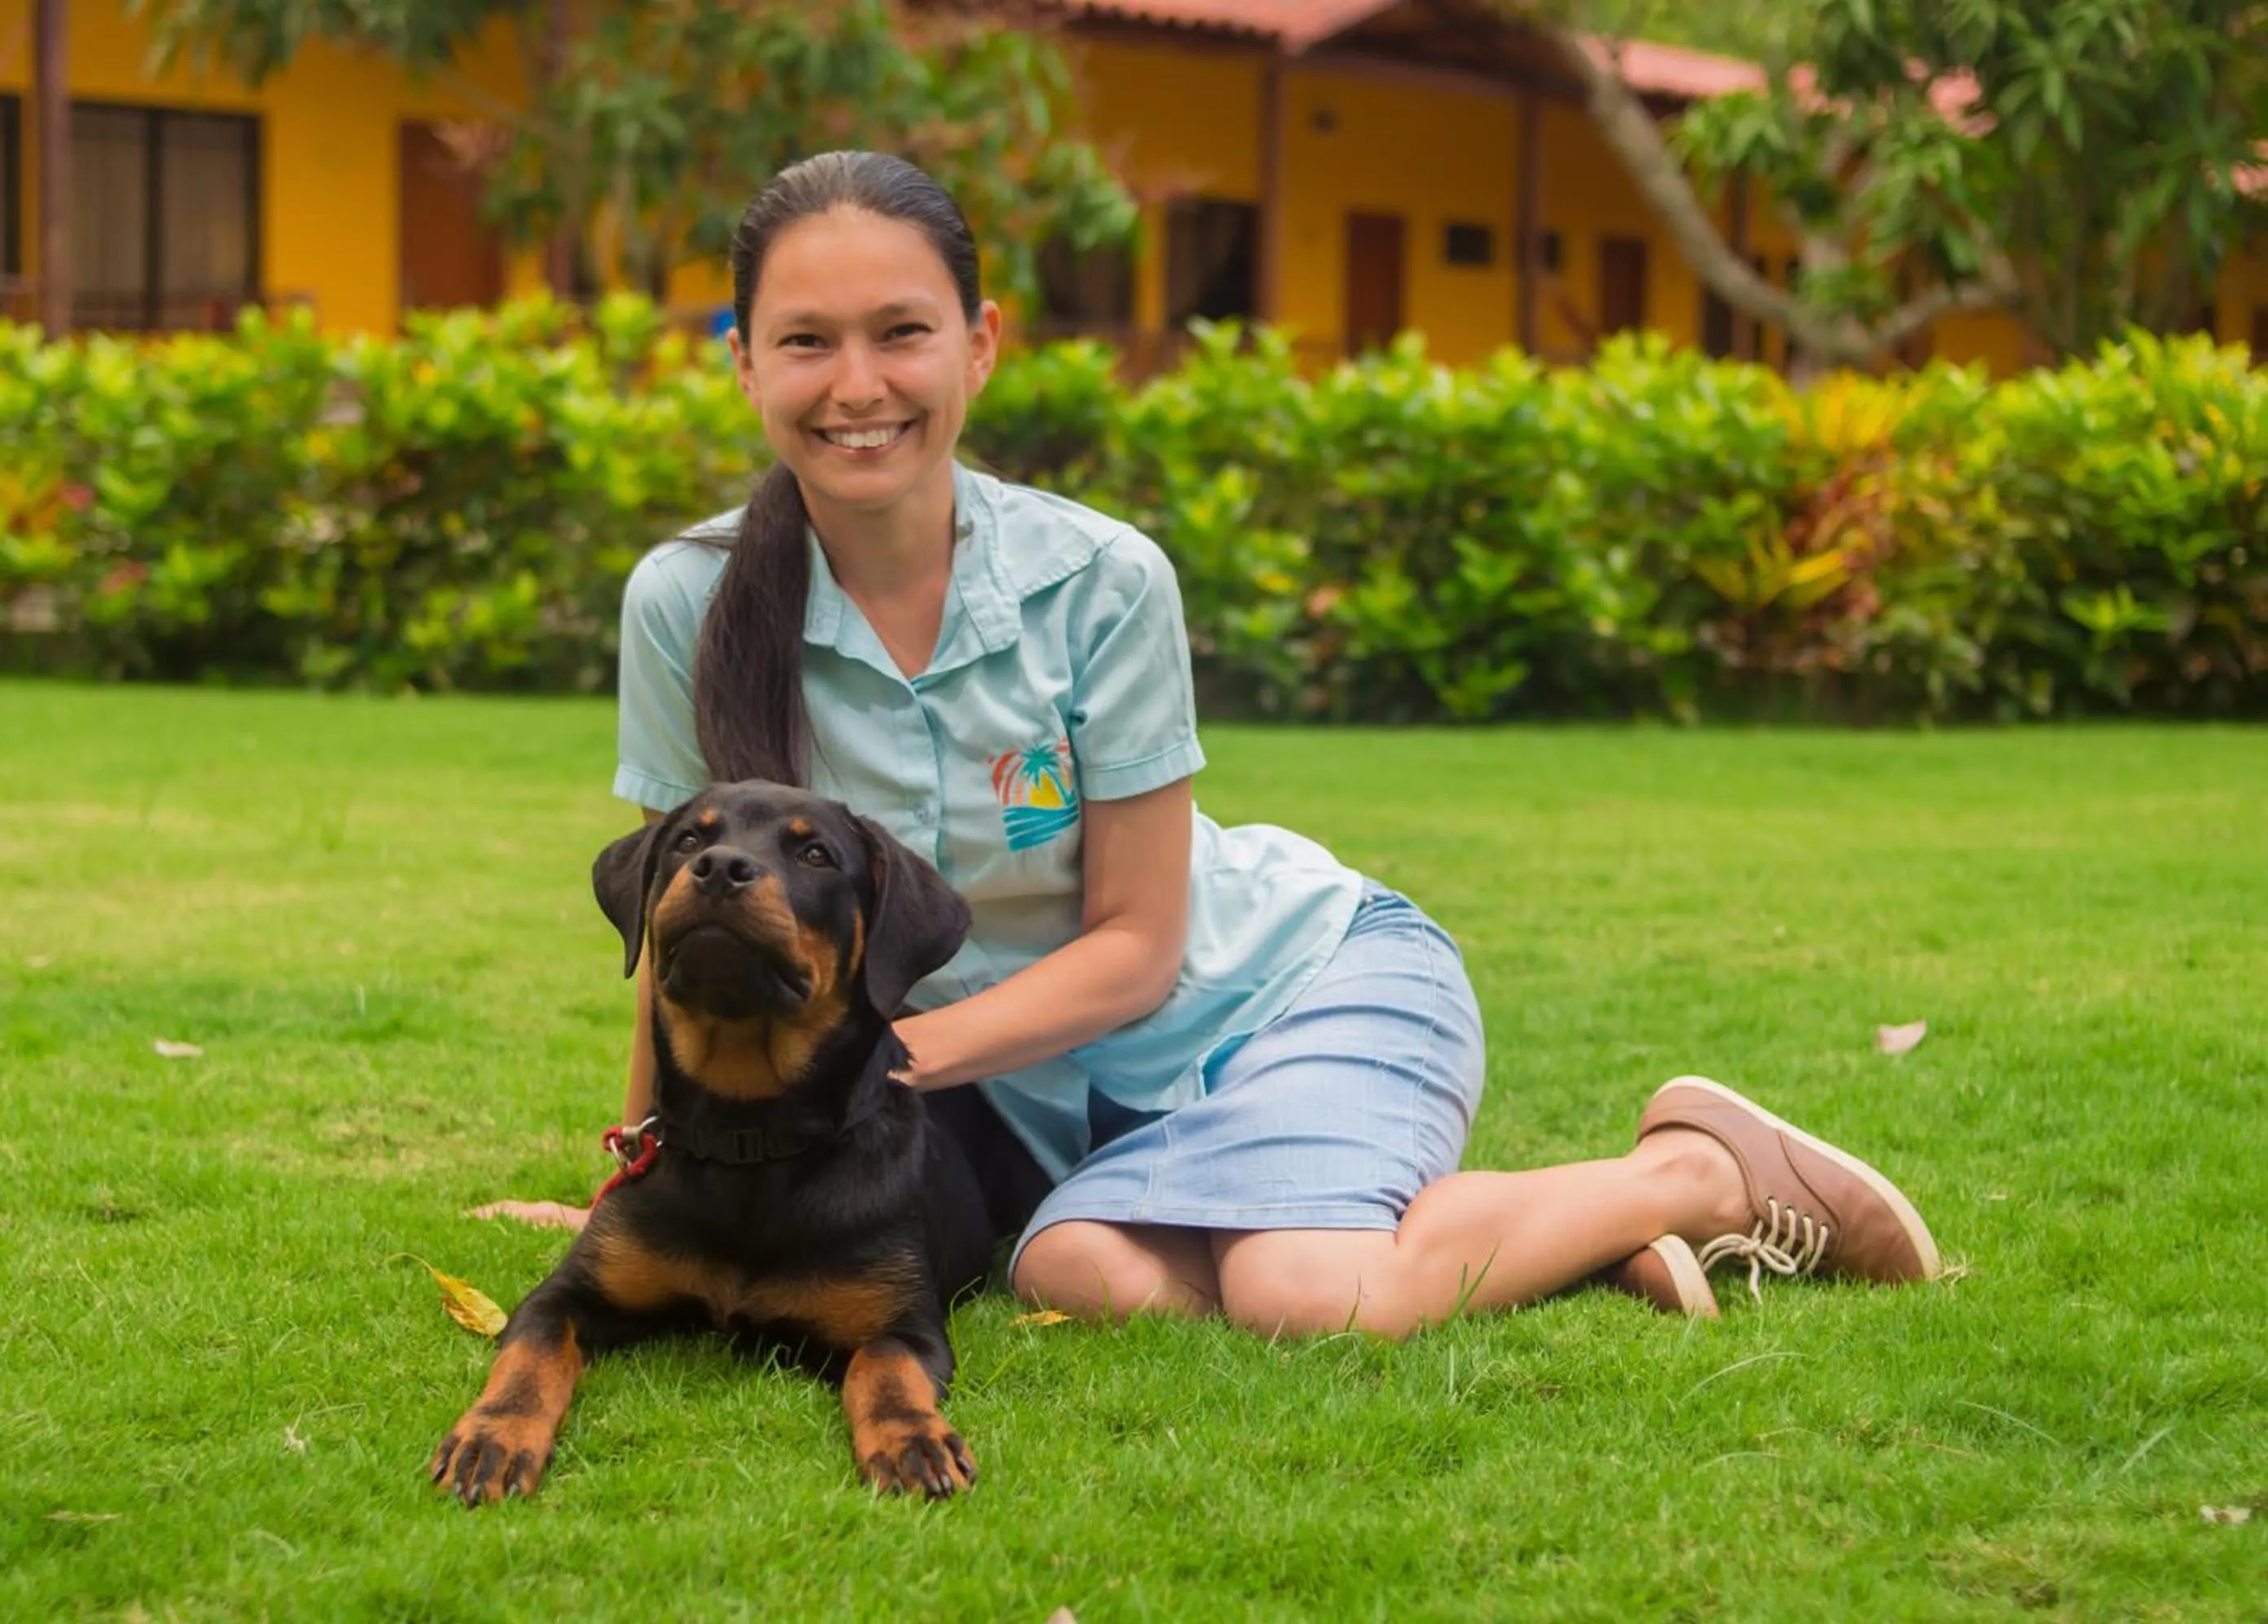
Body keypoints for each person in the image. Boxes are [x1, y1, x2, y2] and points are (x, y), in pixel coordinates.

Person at [483, 149, 1942, 1335]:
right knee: (1071, 1278)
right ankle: (1531, 1244)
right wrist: (645, 1181)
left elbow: (1137, 950)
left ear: (979, 349)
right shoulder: (688, 598)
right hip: (1076, 1112)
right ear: (744, 363)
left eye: (901, 333)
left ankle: (1686, 1175)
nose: (855, 384)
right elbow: (699, 919)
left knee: (1306, 1297)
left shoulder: (1100, 581)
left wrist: (866, 1065)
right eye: (805, 340)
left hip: (1288, 992)